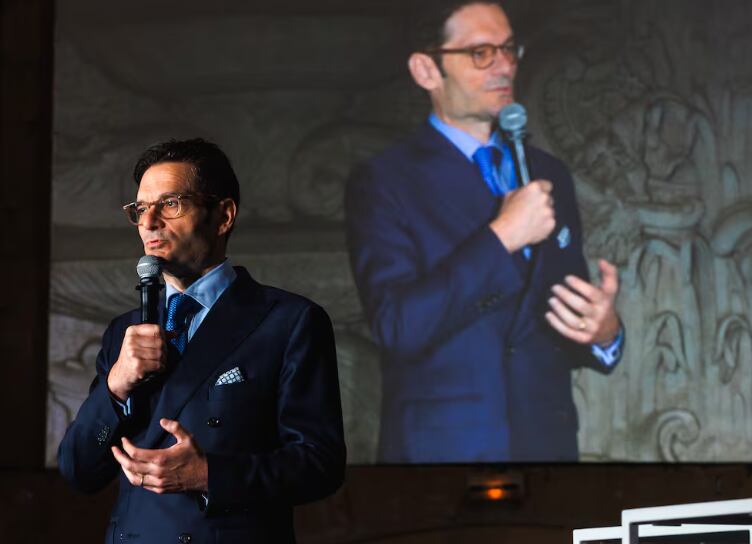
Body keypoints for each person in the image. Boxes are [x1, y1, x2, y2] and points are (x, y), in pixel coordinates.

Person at [345, 0, 624, 463]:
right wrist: (502, 238)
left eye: (510, 49)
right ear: (426, 70)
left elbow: (548, 320)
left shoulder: (547, 172)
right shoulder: (385, 180)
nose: (504, 65)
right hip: (442, 455)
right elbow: (397, 325)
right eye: (481, 53)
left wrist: (603, 333)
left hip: (547, 451)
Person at [58, 139, 345, 543]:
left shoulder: (289, 321)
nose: (149, 221)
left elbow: (321, 465)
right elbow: (78, 471)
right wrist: (116, 386)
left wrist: (209, 474)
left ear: (223, 215)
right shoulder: (123, 332)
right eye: (140, 209)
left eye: (171, 203)